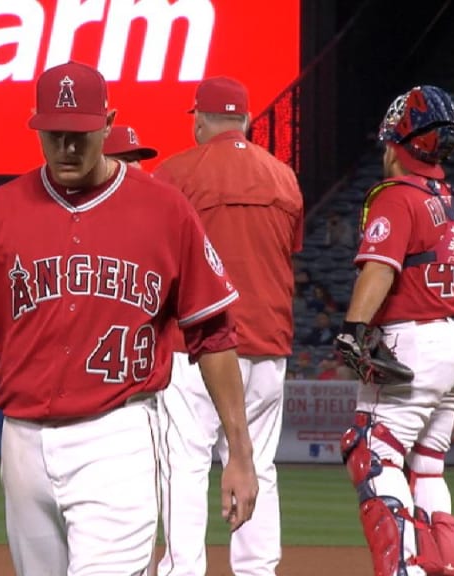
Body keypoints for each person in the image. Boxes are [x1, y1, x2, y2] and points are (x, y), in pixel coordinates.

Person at [0, 61, 258, 576]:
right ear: (37, 127)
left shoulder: (165, 210)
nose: (67, 146)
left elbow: (212, 332)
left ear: (107, 123)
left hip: (119, 433)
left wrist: (239, 452)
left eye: (81, 134)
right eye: (54, 133)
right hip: (21, 440)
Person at [335, 85, 454, 576]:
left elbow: (380, 269)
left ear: (396, 144)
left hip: (412, 343)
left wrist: (353, 328)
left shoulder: (395, 196)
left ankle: (405, 569)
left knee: (372, 452)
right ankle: (446, 567)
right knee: (428, 464)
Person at [152, 76, 303, 576]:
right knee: (258, 463)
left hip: (196, 344)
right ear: (246, 120)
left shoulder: (173, 174)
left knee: (186, 465)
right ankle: (258, 571)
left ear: (199, 119)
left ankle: (183, 570)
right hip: (267, 344)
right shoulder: (284, 177)